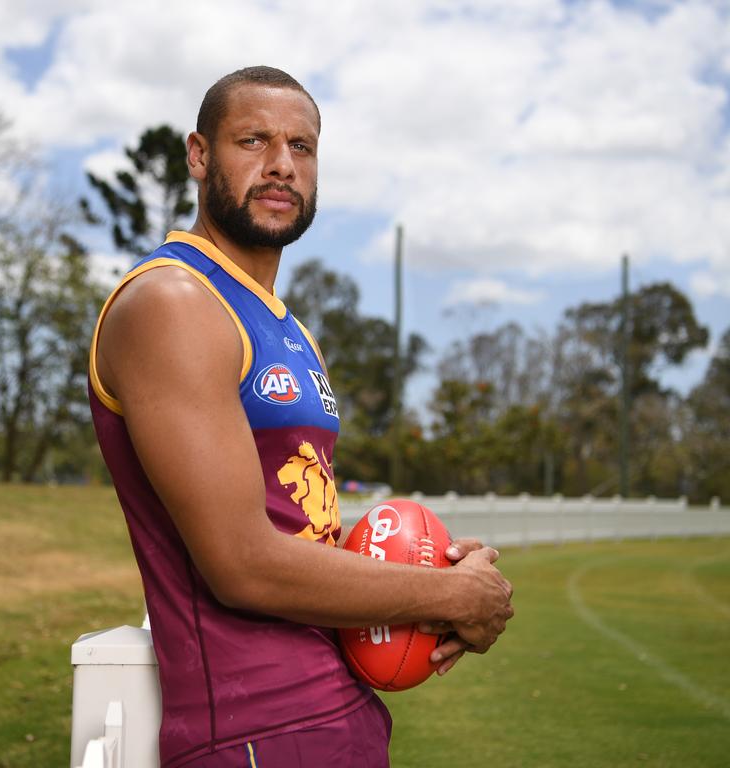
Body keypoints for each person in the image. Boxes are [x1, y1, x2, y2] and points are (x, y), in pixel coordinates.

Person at [88, 65, 514, 768]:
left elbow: (301, 530)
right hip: (254, 731)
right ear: (198, 155)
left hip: (336, 711)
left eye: (302, 147)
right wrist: (448, 594)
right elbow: (242, 564)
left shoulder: (285, 327)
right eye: (253, 141)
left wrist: (432, 571)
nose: (281, 165)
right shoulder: (174, 304)